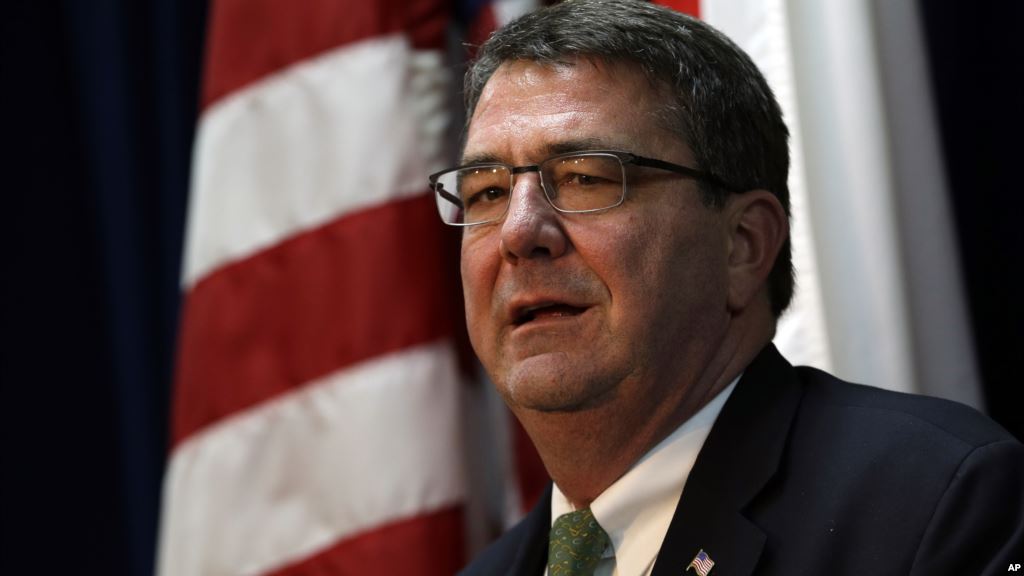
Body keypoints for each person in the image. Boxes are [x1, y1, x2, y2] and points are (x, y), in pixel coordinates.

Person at [428, 1, 1024, 574]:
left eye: (585, 177)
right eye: (487, 192)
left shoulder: (938, 504)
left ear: (743, 244)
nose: (518, 232)